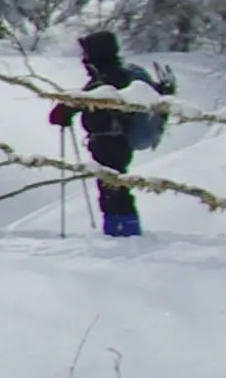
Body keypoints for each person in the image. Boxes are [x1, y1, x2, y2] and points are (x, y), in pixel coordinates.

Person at [49, 28, 154, 239]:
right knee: (113, 184)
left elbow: (82, 102)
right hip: (117, 140)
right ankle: (123, 230)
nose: (83, 59)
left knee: (112, 185)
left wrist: (65, 111)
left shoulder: (106, 78)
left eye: (86, 53)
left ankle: (123, 231)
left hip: (109, 140)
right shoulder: (118, 74)